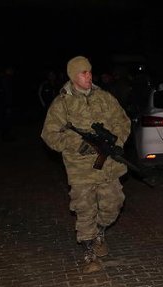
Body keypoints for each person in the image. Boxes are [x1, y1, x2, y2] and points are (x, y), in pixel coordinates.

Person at [41, 56, 131, 274]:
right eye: (83, 73)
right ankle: (90, 252)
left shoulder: (105, 98)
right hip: (80, 169)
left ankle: (100, 231)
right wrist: (74, 144)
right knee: (84, 209)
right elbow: (49, 135)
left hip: (108, 165)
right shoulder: (62, 104)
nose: (89, 76)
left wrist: (115, 141)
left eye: (90, 71)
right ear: (73, 76)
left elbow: (123, 121)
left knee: (114, 204)